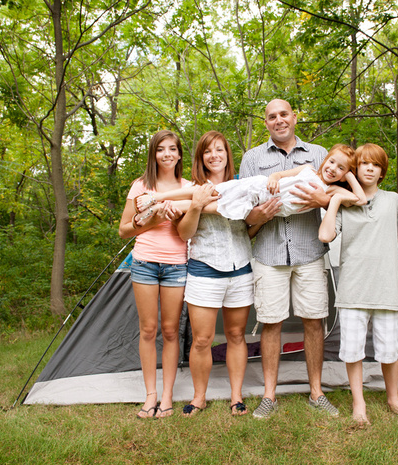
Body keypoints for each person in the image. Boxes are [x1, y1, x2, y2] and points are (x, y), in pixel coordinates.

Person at [239, 98, 340, 419]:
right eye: (272, 117)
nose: (279, 120)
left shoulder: (319, 154)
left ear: (295, 117)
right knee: (271, 323)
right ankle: (269, 396)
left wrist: (320, 198)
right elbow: (245, 213)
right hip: (268, 254)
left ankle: (317, 392)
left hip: (310, 250)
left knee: (314, 320)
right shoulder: (252, 158)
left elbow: (335, 195)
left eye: (284, 114)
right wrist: (261, 214)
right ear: (266, 123)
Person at [319, 143, 398, 425]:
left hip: (385, 288)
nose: (369, 168)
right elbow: (326, 235)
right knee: (352, 350)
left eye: (375, 165)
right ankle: (359, 403)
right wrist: (335, 200)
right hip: (353, 288)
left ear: (381, 172)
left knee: (389, 350)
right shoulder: (343, 200)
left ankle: (393, 399)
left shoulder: (393, 200)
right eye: (364, 163)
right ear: (355, 170)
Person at [176, 130, 253, 417]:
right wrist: (196, 205)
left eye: (220, 150)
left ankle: (236, 397)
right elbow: (184, 233)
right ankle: (199, 398)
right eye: (208, 151)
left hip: (240, 269)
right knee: (202, 340)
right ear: (201, 158)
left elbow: (249, 228)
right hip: (204, 269)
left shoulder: (242, 186)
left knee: (235, 335)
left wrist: (261, 217)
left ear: (227, 155)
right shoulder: (192, 189)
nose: (215, 155)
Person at [118, 129, 189, 419]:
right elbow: (124, 230)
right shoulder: (141, 186)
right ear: (154, 154)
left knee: (171, 331)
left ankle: (168, 396)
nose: (167, 154)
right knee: (148, 330)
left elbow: (192, 229)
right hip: (145, 262)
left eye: (172, 149)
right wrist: (153, 218)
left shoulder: (188, 186)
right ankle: (150, 396)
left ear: (180, 154)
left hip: (176, 265)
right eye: (161, 149)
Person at [133, 144, 366, 220]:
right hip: (256, 187)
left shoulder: (332, 189)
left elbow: (360, 199)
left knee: (207, 207)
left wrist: (349, 176)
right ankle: (156, 197)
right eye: (332, 163)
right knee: (205, 192)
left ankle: (155, 210)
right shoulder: (308, 168)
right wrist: (273, 177)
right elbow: (279, 175)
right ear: (325, 159)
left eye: (341, 169)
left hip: (257, 205)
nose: (333, 169)